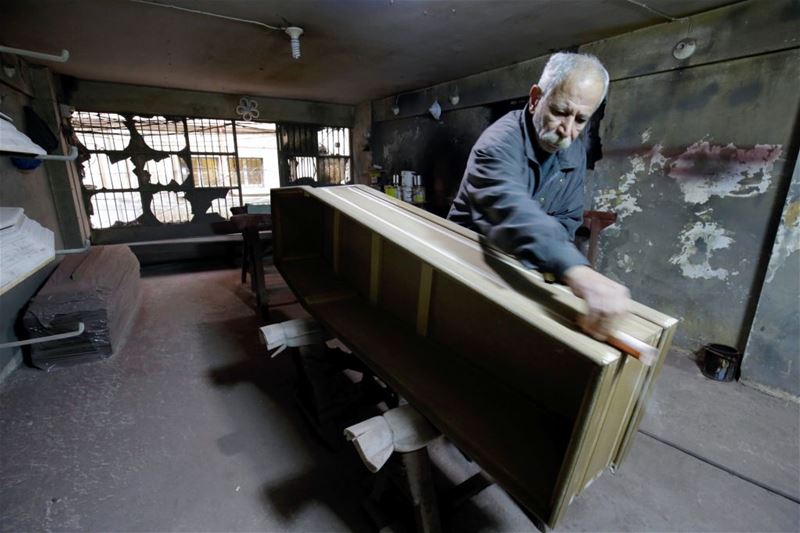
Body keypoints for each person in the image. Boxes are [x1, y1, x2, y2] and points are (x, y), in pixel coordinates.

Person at [447, 52, 629, 339]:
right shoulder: (498, 142)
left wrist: (550, 258)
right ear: (535, 99)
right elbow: (509, 209)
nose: (567, 130)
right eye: (560, 111)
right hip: (467, 261)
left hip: (524, 264)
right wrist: (575, 269)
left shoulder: (573, 149)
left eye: (581, 119)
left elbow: (568, 218)